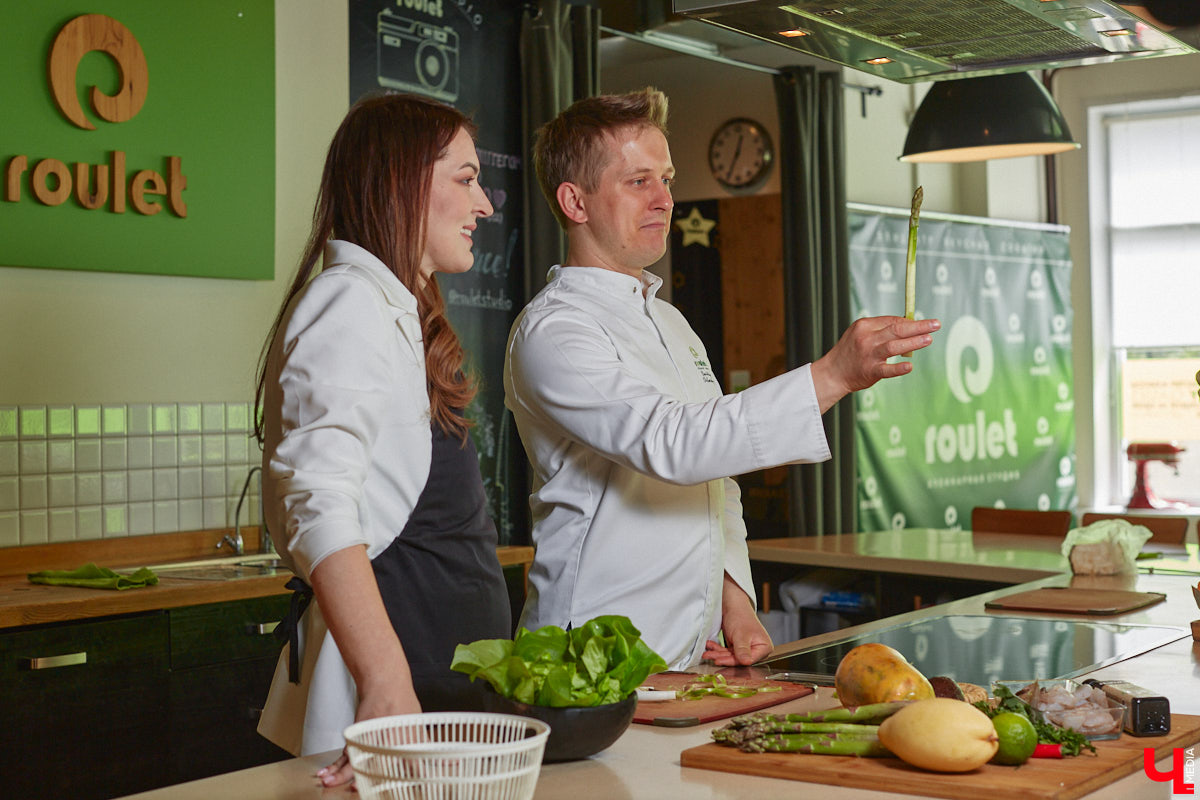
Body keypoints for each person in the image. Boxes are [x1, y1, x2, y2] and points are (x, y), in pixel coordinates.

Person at [503, 87, 940, 671]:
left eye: (667, 178)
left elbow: (717, 471)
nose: (666, 199)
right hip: (590, 653)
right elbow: (675, 444)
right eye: (639, 182)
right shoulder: (554, 331)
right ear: (575, 202)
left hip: (691, 652)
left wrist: (736, 598)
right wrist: (832, 374)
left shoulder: (669, 319)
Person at [252, 92, 509, 788]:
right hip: (397, 709)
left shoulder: (396, 309)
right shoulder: (349, 304)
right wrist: (386, 679)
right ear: (400, 182)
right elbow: (319, 500)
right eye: (464, 178)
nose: (484, 205)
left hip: (443, 701)